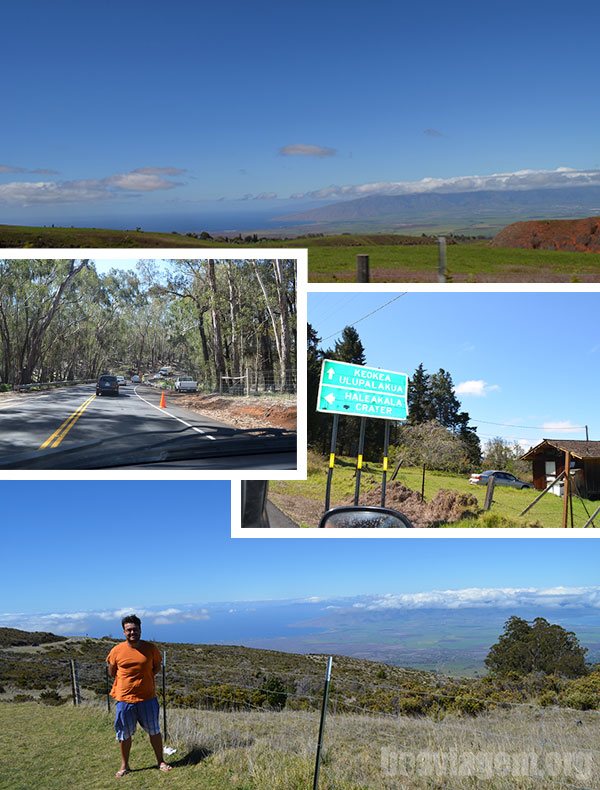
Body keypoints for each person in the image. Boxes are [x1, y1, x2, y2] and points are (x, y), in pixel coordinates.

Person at [106, 614, 172, 778]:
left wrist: (145, 678)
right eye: (128, 630)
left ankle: (161, 762)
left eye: (135, 629)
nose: (132, 632)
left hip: (147, 698)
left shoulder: (151, 648)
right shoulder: (116, 650)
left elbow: (156, 667)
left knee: (154, 731)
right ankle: (124, 765)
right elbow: (112, 671)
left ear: (140, 630)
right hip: (124, 700)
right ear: (124, 632)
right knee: (124, 734)